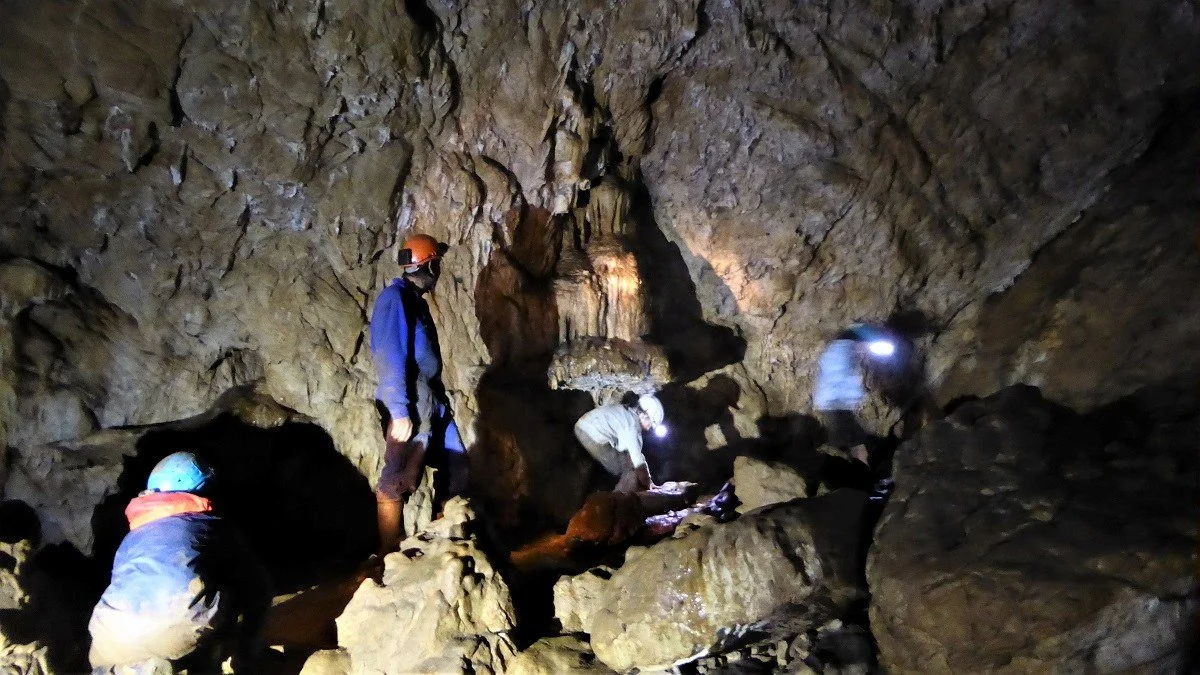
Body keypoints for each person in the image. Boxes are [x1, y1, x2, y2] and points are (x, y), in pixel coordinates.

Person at [88, 452, 270, 673]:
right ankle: (206, 664)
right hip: (176, 627)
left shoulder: (130, 539)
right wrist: (247, 654)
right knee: (237, 587)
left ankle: (141, 668)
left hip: (107, 635)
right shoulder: (209, 524)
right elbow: (257, 584)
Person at [370, 233, 468, 553]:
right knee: (397, 478)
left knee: (457, 465)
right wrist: (399, 412)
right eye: (436, 264)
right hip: (410, 402)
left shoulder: (415, 303)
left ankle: (446, 530)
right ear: (428, 265)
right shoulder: (394, 299)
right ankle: (388, 552)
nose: (438, 271)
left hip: (431, 401)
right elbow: (389, 354)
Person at [812, 322, 898, 462]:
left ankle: (860, 472)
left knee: (853, 442)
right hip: (835, 404)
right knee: (855, 443)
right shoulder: (841, 352)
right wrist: (858, 393)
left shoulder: (836, 349)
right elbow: (840, 378)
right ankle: (860, 474)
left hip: (833, 404)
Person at [574, 393, 666, 493]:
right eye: (651, 424)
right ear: (645, 415)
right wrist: (648, 482)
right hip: (589, 434)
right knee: (628, 467)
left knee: (624, 460)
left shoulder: (626, 413)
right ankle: (619, 497)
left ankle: (608, 490)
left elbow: (629, 449)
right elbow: (637, 460)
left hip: (583, 427)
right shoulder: (632, 425)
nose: (649, 428)